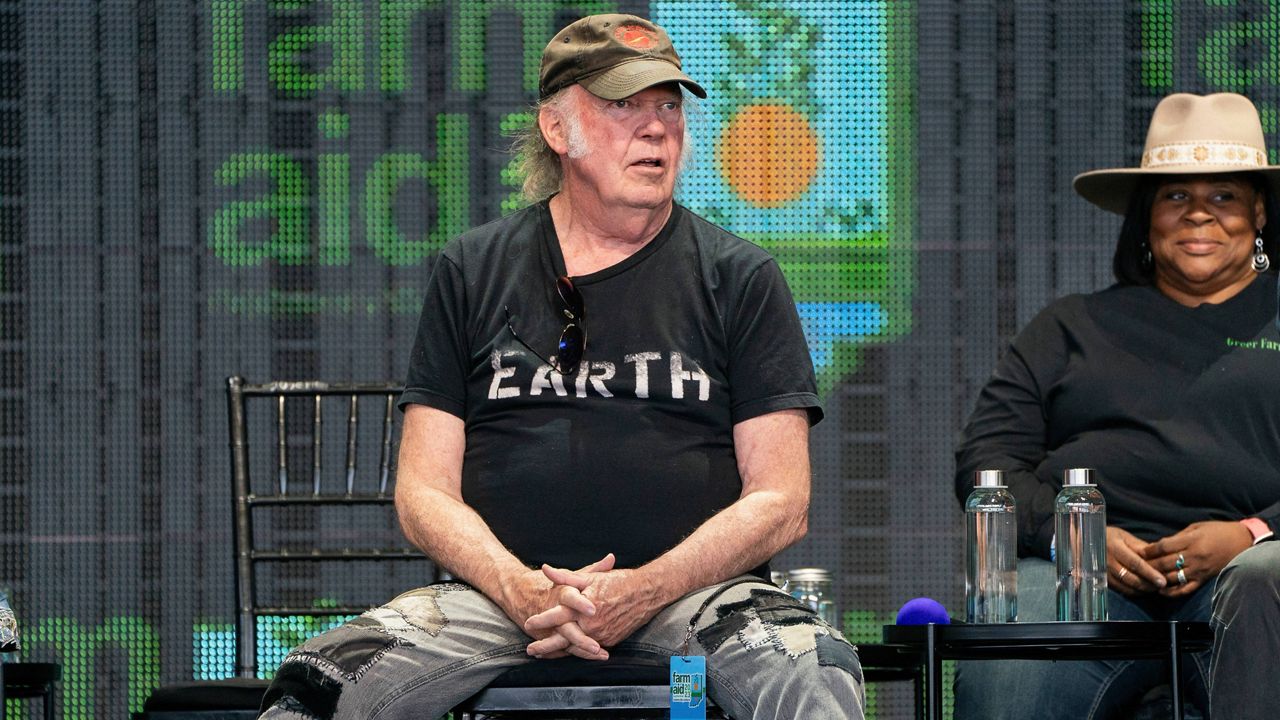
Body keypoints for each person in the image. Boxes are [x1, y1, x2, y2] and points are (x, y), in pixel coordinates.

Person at [258, 13, 865, 720]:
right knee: (313, 692)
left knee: (815, 673)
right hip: (494, 602)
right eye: (623, 105)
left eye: (668, 105)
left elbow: (782, 500)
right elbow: (423, 493)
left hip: (694, 601)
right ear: (557, 130)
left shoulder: (742, 277)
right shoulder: (473, 270)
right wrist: (520, 590)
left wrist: (642, 589)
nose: (656, 127)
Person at [953, 92, 1280, 720]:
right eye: (1176, 196)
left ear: (1259, 212)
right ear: (1146, 216)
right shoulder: (1069, 327)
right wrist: (1075, 537)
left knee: (1269, 578)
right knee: (1012, 663)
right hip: (1083, 575)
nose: (1198, 216)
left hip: (1254, 575)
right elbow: (985, 464)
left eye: (1224, 197)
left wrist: (1247, 534)